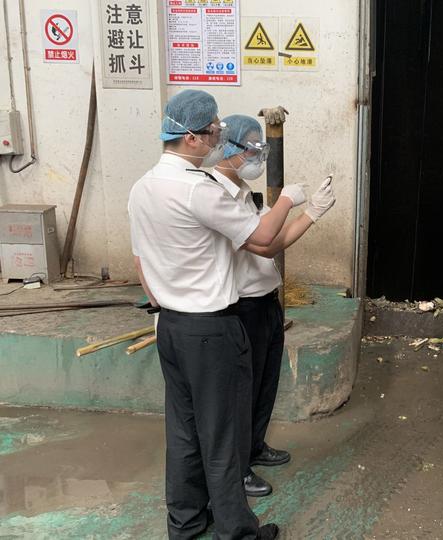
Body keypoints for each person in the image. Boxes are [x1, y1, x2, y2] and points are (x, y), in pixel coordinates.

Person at [128, 90, 307, 540]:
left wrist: (165, 302)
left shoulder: (143, 186)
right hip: (210, 329)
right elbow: (263, 238)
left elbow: (141, 262)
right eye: (213, 132)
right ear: (191, 137)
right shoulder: (198, 189)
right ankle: (238, 532)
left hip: (170, 325)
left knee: (184, 433)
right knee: (224, 436)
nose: (217, 141)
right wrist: (288, 200)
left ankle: (186, 523)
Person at [213, 114, 335, 497]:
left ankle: (254, 447)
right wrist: (286, 201)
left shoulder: (246, 194)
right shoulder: (215, 197)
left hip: (266, 303)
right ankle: (238, 470)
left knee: (266, 383)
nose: (258, 157)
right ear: (227, 148)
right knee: (240, 394)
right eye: (252, 148)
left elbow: (274, 243)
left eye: (261, 148)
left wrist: (311, 213)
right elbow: (265, 240)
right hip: (241, 308)